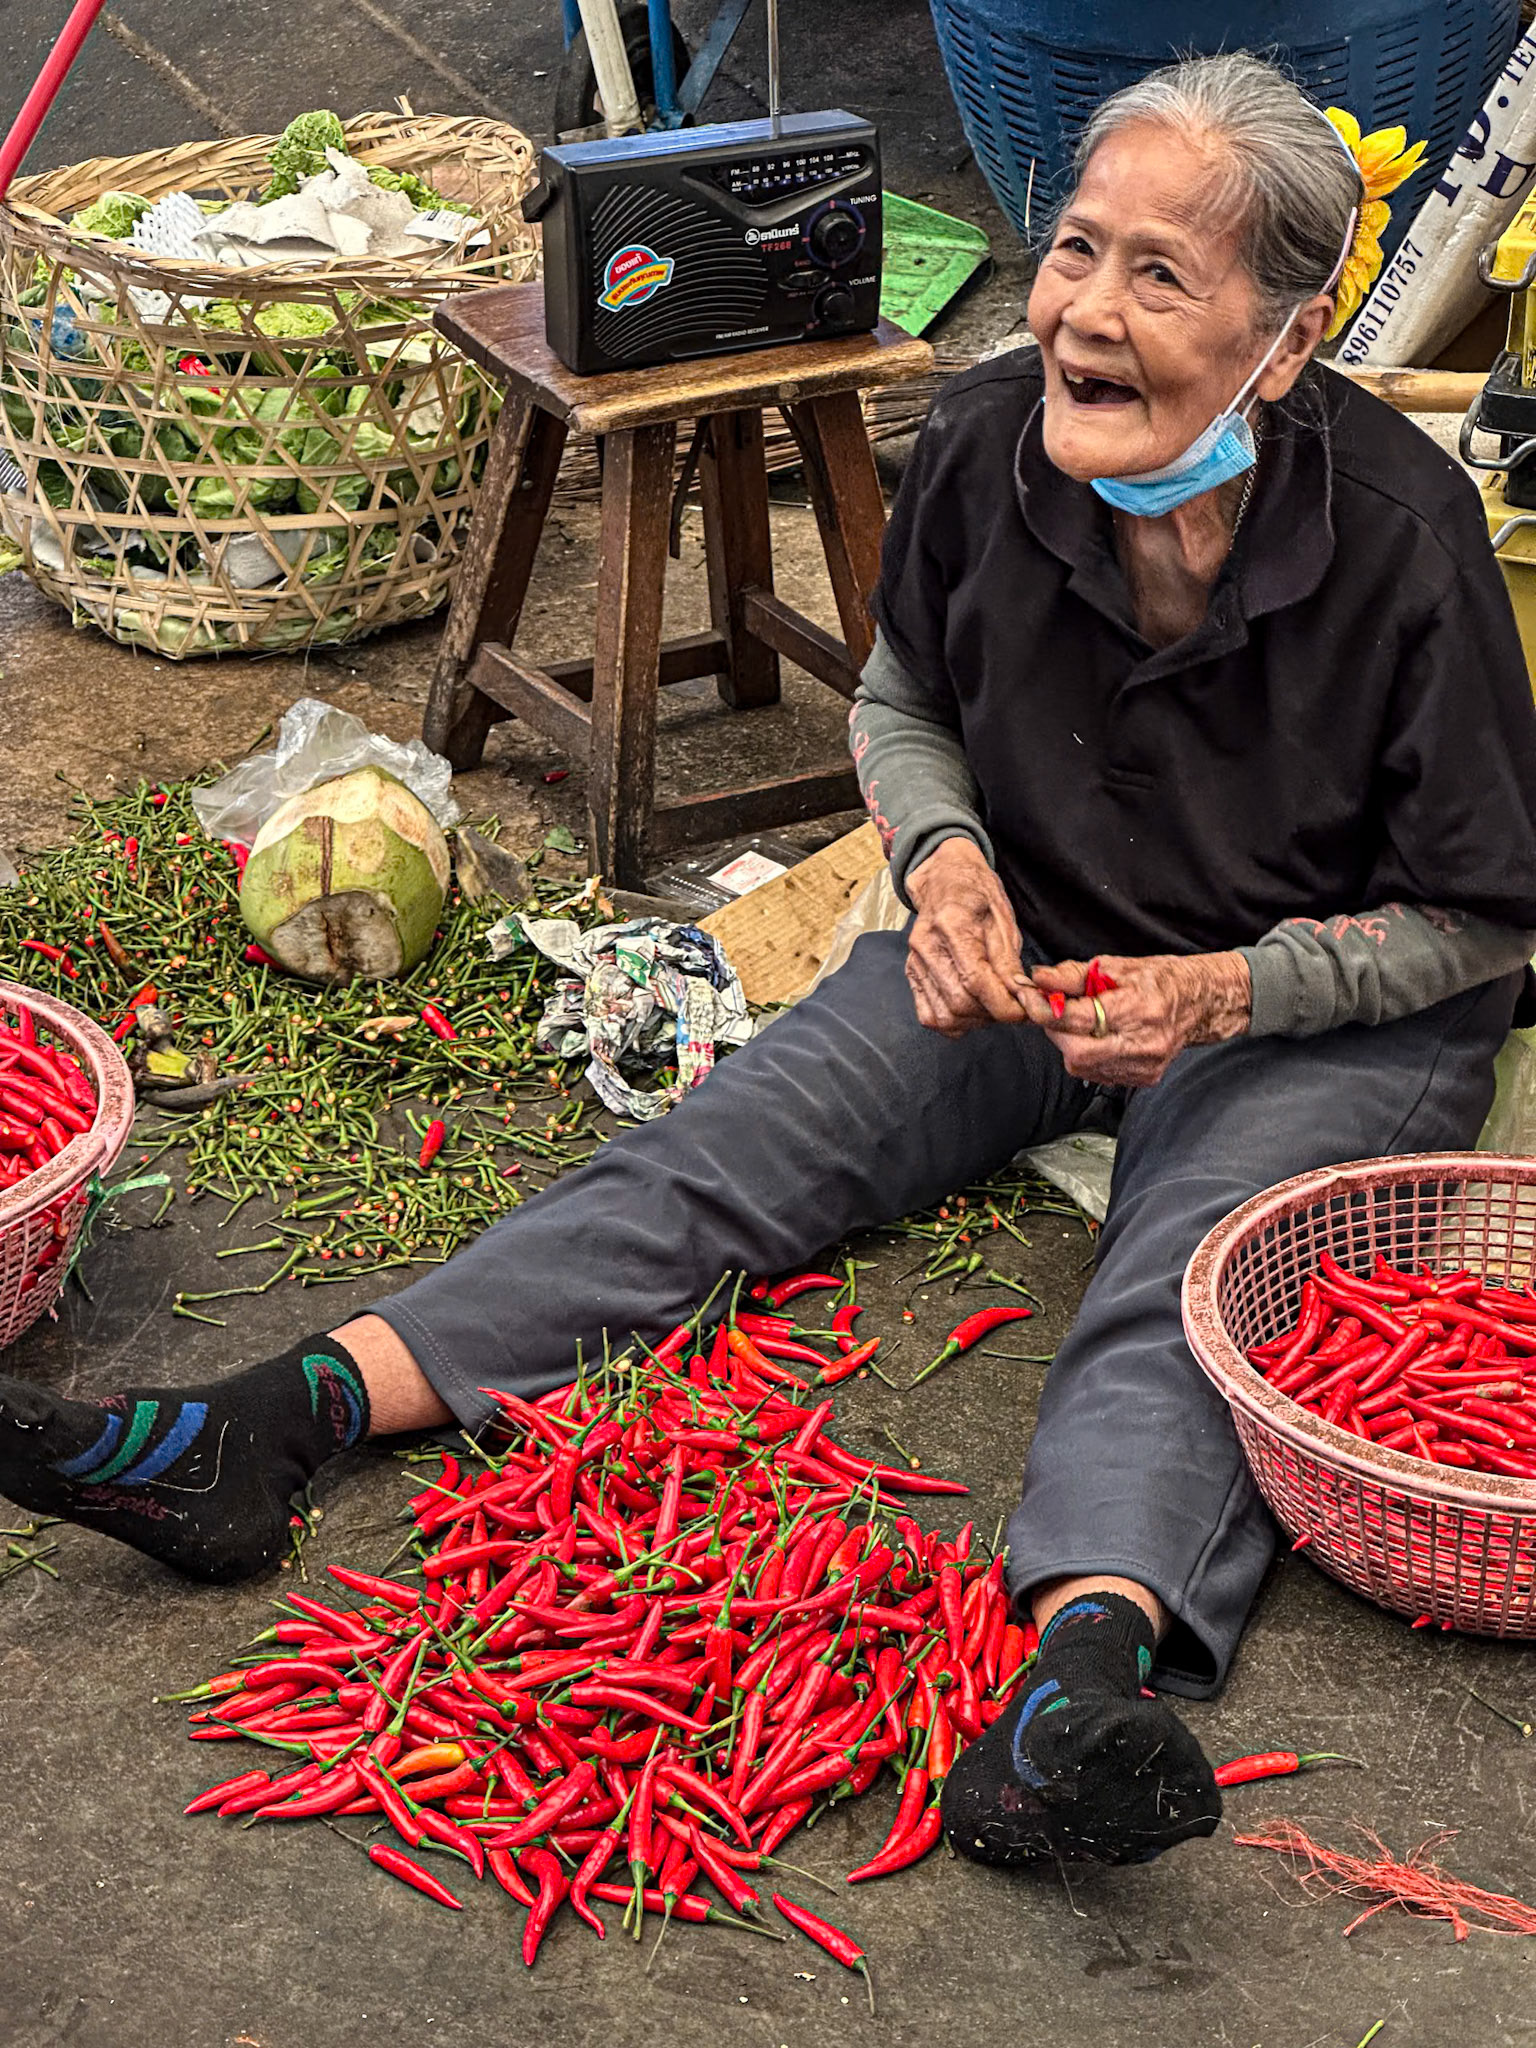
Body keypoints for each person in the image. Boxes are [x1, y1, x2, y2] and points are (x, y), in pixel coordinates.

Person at [4, 50, 1536, 1872]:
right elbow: (905, 703)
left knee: (1184, 1276)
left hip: (1319, 996)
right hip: (1038, 931)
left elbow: (1480, 916)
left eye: (1161, 278)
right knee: (737, 1144)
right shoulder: (981, 445)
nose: (1083, 314)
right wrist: (948, 855)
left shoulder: (1403, 544)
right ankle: (267, 1424)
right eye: (1075, 252)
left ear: (1285, 344)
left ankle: (1079, 1690)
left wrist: (1227, 998)